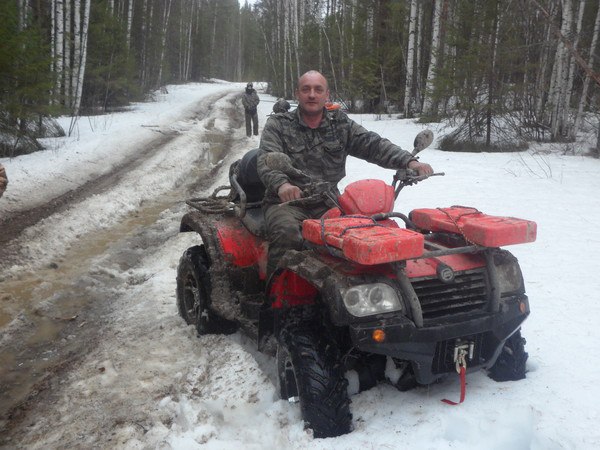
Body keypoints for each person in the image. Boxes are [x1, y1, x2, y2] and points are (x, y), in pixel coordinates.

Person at [257, 70, 433, 277]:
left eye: (318, 90)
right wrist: (282, 185)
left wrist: (409, 161)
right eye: (306, 89)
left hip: (328, 201)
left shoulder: (339, 124)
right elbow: (267, 158)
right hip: (287, 203)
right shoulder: (278, 124)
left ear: (327, 95)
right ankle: (279, 292)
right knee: (287, 235)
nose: (312, 94)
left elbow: (373, 144)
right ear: (297, 94)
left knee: (362, 235)